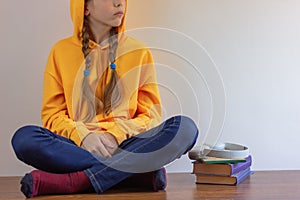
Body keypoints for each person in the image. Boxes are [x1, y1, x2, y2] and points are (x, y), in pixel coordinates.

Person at [11, 0, 199, 198]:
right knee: (24, 139)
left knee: (184, 129)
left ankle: (76, 181)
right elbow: (52, 115)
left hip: (127, 144)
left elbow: (150, 116)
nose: (119, 3)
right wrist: (83, 135)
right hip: (77, 147)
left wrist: (115, 135)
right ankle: (132, 175)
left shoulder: (139, 52)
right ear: (84, 7)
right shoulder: (60, 52)